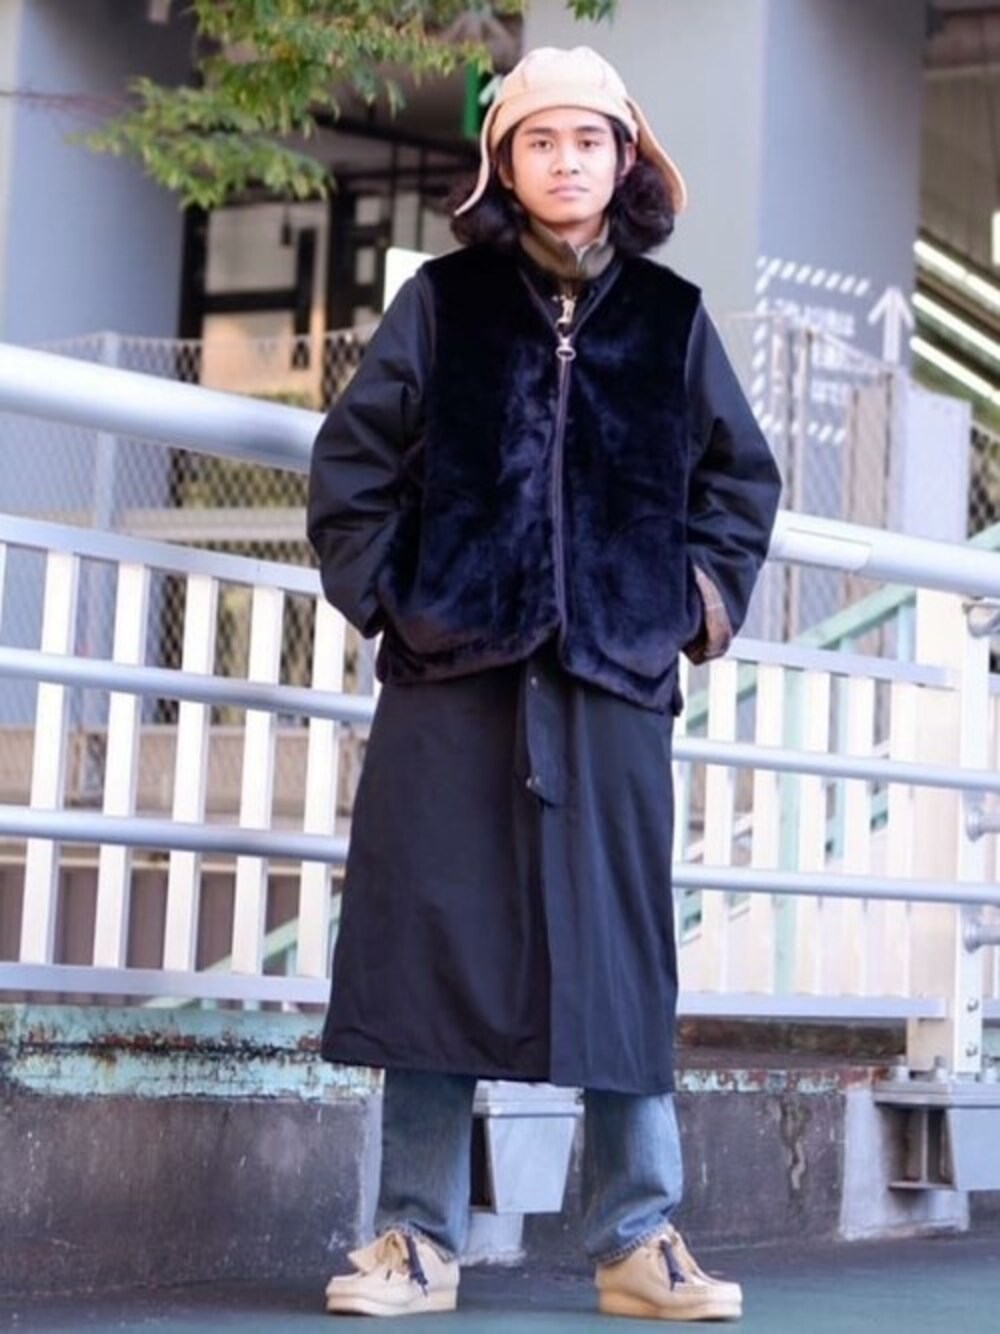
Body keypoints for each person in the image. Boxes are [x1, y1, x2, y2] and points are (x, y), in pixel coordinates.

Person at [307, 44, 781, 1322]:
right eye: (538, 140)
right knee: (431, 942)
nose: (564, 160)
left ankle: (635, 1238)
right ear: (501, 166)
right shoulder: (442, 304)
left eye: (587, 139)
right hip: (450, 677)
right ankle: (414, 1238)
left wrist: (684, 605)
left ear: (625, 159)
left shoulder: (671, 319)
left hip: (611, 680)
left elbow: (739, 483)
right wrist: (401, 600)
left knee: (620, 953)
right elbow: (352, 469)